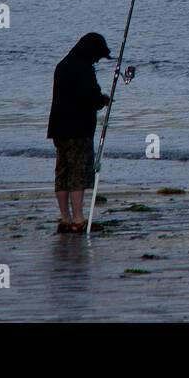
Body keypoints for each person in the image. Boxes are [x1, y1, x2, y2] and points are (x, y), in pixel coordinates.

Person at [47, 32, 113, 234]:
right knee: (79, 174)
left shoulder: (63, 65)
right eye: (98, 56)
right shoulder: (83, 69)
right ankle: (78, 219)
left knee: (63, 173)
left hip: (59, 129)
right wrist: (103, 100)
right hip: (78, 130)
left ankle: (65, 219)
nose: (97, 60)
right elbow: (91, 99)